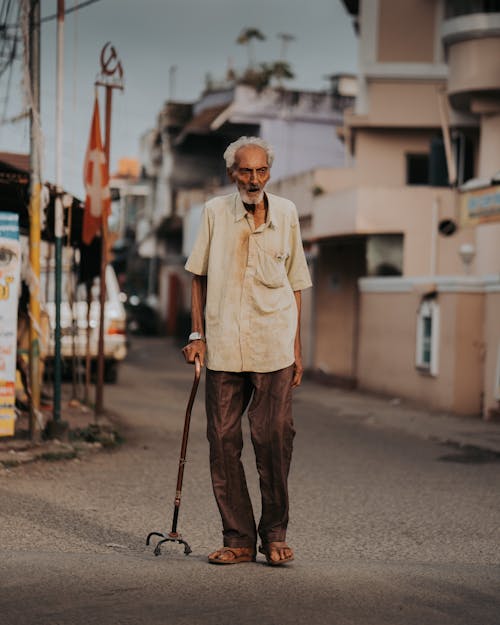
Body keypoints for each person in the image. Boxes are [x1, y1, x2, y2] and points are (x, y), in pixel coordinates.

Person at [182, 136, 312, 566]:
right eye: (245, 171)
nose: (253, 179)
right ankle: (237, 538)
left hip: (274, 342)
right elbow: (198, 276)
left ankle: (274, 533)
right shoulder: (215, 212)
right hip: (222, 345)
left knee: (273, 437)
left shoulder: (288, 213)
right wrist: (196, 334)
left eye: (261, 171)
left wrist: (296, 350)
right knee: (221, 440)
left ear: (268, 174)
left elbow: (296, 284)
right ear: (231, 173)